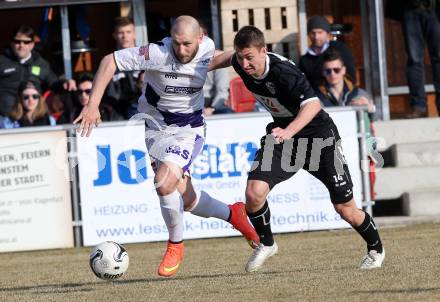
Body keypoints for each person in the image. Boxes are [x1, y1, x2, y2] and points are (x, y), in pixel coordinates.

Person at [73, 15, 259, 277]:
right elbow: (109, 61)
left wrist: (257, 61)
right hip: (155, 130)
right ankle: (234, 214)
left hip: (188, 129)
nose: (180, 50)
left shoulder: (206, 48)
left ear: (200, 40)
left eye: (186, 44)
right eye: (176, 43)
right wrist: (92, 105)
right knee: (189, 199)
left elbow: (222, 58)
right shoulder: (156, 53)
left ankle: (175, 245)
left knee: (163, 181)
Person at [221, 25, 384, 272]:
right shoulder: (240, 61)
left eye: (250, 57)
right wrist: (190, 69)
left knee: (345, 209)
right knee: (254, 194)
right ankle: (266, 243)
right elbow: (220, 58)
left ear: (263, 51)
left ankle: (376, 249)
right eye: (240, 57)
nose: (244, 64)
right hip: (284, 139)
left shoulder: (283, 72)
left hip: (320, 139)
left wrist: (288, 131)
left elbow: (313, 105)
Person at [315, 49, 378, 198]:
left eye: (336, 70)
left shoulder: (359, 94)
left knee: (369, 142)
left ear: (343, 70)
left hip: (357, 145)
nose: (333, 74)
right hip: (331, 147)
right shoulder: (316, 96)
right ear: (323, 73)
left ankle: (367, 195)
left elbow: (374, 118)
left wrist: (369, 108)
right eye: (328, 71)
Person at [299, 16, 356, 90]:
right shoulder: (305, 60)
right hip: (318, 98)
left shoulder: (340, 48)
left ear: (327, 33)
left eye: (320, 32)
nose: (316, 37)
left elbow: (351, 76)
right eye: (313, 33)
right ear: (308, 34)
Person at [103, 17, 143, 119]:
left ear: (134, 34)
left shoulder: (146, 59)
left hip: (143, 114)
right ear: (114, 35)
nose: (124, 36)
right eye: (121, 32)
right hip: (116, 116)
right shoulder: (108, 62)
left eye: (128, 32)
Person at [199, 20, 233, 116]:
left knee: (228, 114)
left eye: (201, 37)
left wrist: (212, 108)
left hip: (210, 102)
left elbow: (222, 90)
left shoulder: (218, 58)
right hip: (188, 105)